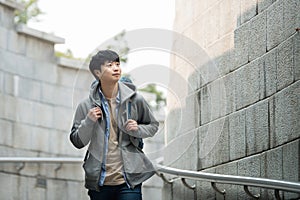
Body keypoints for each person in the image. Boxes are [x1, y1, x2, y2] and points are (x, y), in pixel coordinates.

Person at [69, 49, 159, 200]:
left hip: (129, 180)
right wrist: (88, 122)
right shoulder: (86, 106)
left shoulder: (135, 100)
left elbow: (153, 125)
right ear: (98, 73)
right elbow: (77, 141)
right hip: (100, 182)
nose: (116, 68)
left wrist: (138, 129)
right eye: (110, 65)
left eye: (117, 64)